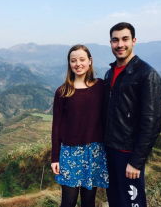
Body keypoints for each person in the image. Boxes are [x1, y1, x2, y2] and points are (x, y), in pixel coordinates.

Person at [103, 22, 161, 207]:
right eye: (115, 40)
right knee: (115, 201)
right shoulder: (110, 73)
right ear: (110, 43)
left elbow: (152, 122)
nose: (120, 44)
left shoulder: (147, 75)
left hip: (128, 154)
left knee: (132, 203)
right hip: (110, 151)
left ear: (134, 41)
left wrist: (137, 161)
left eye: (124, 39)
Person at [51, 44, 109, 207]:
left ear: (90, 61)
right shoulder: (63, 92)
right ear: (69, 63)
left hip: (95, 151)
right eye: (73, 60)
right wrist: (55, 157)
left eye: (82, 59)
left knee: (89, 201)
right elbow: (56, 126)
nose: (78, 64)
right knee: (68, 201)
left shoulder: (101, 87)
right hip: (70, 153)